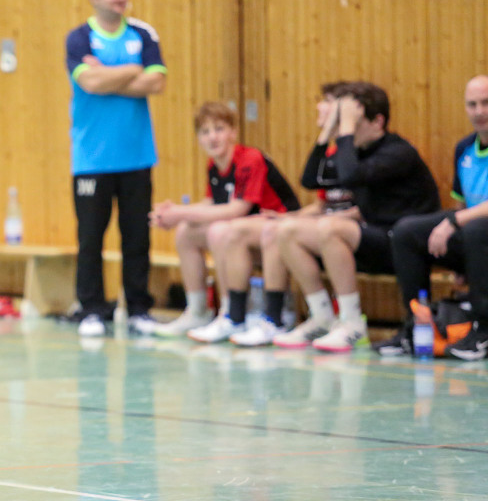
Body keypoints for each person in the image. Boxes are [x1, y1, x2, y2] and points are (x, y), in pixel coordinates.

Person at [273, 81, 440, 352]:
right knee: (288, 231)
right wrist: (328, 130)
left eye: (353, 123)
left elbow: (350, 176)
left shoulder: (398, 152)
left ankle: (352, 322)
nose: (346, 131)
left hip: (405, 246)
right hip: (373, 240)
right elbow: (310, 180)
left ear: (378, 122)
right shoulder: (356, 153)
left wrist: (346, 131)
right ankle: (322, 317)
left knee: (331, 228)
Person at [65, 0, 167, 338]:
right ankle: (92, 309)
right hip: (92, 160)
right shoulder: (79, 38)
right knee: (91, 238)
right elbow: (89, 83)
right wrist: (133, 69)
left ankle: (138, 308)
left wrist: (108, 73)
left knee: (137, 237)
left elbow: (156, 82)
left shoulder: (143, 33)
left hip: (137, 156)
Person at [150, 101, 300, 340]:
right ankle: (198, 310)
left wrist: (181, 213)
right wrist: (175, 212)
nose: (212, 137)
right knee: (186, 233)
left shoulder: (250, 159)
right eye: (205, 132)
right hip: (245, 231)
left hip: (279, 228)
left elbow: (237, 209)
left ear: (233, 132)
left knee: (219, 231)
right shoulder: (215, 164)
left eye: (219, 129)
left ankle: (231, 313)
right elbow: (212, 202)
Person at [228, 81, 357, 346]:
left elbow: (361, 208)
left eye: (327, 101)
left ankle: (279, 318)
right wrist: (289, 216)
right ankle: (240, 316)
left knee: (278, 232)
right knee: (262, 227)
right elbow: (320, 202)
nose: (319, 107)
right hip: (327, 224)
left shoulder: (353, 154)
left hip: (348, 230)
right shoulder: (332, 151)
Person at [375, 75, 488, 359]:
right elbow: (462, 205)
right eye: (472, 104)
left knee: (475, 229)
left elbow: (465, 217)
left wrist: (456, 223)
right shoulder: (464, 148)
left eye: (486, 103)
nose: (479, 111)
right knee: (407, 232)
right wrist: (462, 256)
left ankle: (484, 331)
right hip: (477, 237)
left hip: (480, 233)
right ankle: (417, 326)